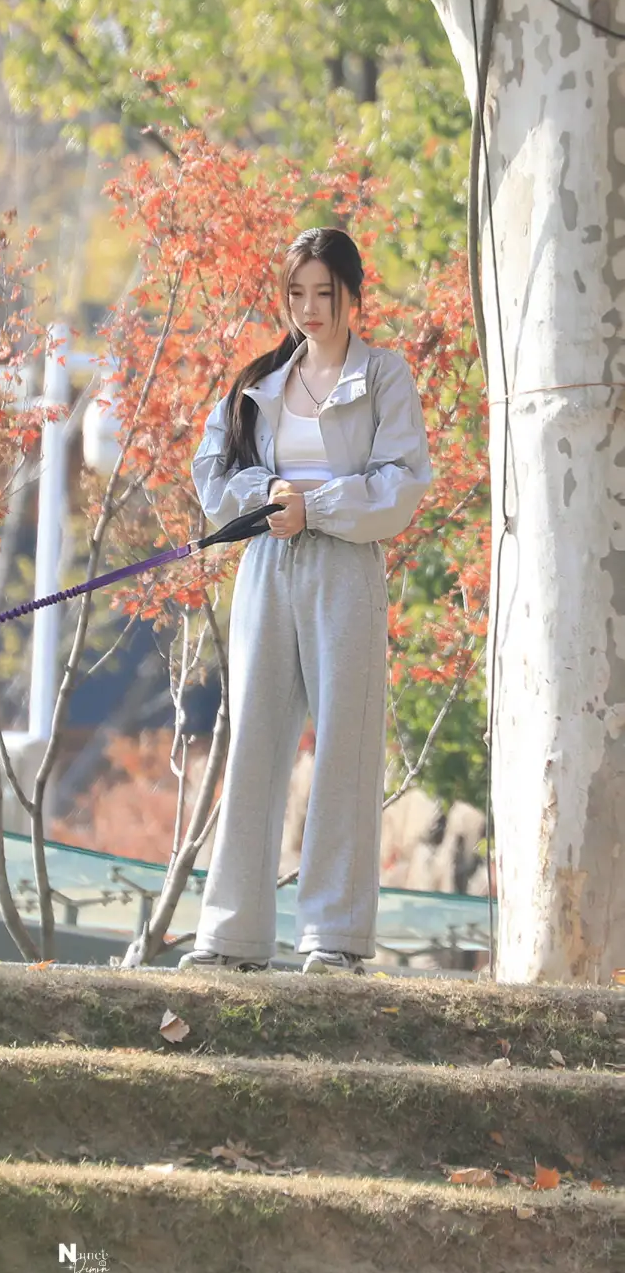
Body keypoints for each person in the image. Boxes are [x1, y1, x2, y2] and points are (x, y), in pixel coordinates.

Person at [178, 226, 432, 976]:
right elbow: (212, 469)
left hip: (347, 569)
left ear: (354, 295)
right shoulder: (260, 381)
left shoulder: (386, 375)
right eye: (298, 294)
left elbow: (402, 484)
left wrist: (314, 508)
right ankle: (230, 937)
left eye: (326, 293)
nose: (311, 309)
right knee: (253, 741)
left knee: (344, 752)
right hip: (266, 567)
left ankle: (336, 939)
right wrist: (270, 498)